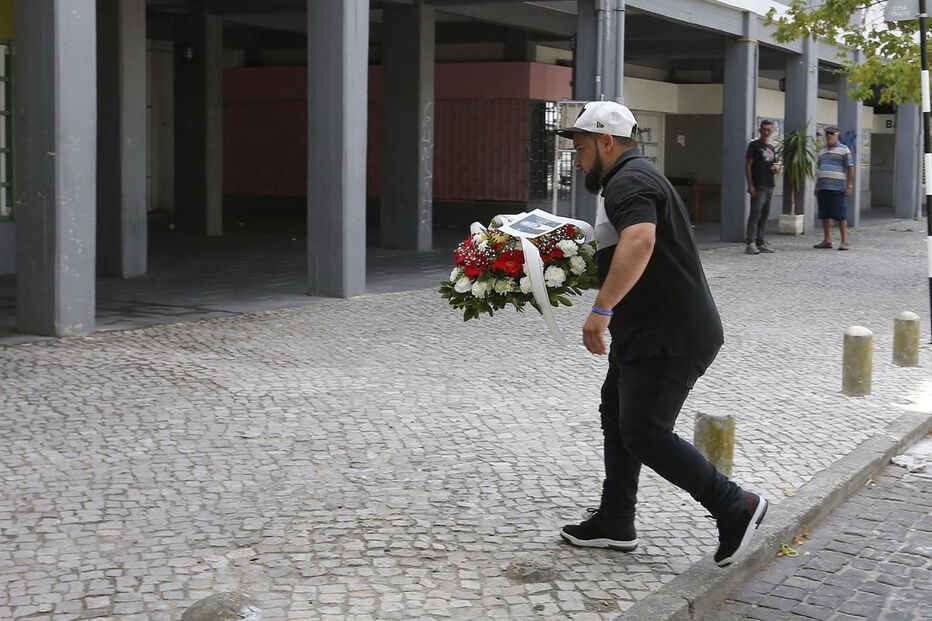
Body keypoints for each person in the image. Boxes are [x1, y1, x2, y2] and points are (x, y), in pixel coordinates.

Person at [555, 101, 768, 568]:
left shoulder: (629, 180)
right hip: (651, 327)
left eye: (582, 147)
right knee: (616, 415)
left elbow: (641, 241)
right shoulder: (631, 176)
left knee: (645, 432)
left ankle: (735, 504)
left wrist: (601, 310)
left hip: (671, 333)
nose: (578, 158)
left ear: (606, 142)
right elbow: (628, 254)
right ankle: (616, 520)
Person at [813, 126, 855, 251]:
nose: (829, 136)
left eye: (832, 134)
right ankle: (827, 240)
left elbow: (850, 168)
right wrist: (817, 186)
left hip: (837, 188)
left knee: (841, 215)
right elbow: (820, 169)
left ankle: (844, 241)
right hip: (823, 187)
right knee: (825, 215)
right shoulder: (822, 150)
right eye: (827, 134)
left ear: (837, 135)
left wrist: (849, 186)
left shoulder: (844, 149)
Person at [745, 121, 780, 255]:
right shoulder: (754, 146)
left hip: (770, 184)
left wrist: (775, 169)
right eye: (764, 130)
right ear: (760, 130)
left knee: (765, 215)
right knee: (755, 214)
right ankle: (750, 242)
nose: (766, 132)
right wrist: (750, 185)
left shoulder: (771, 147)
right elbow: (748, 165)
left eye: (768, 130)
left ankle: (761, 241)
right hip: (758, 185)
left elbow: (774, 163)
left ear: (771, 132)